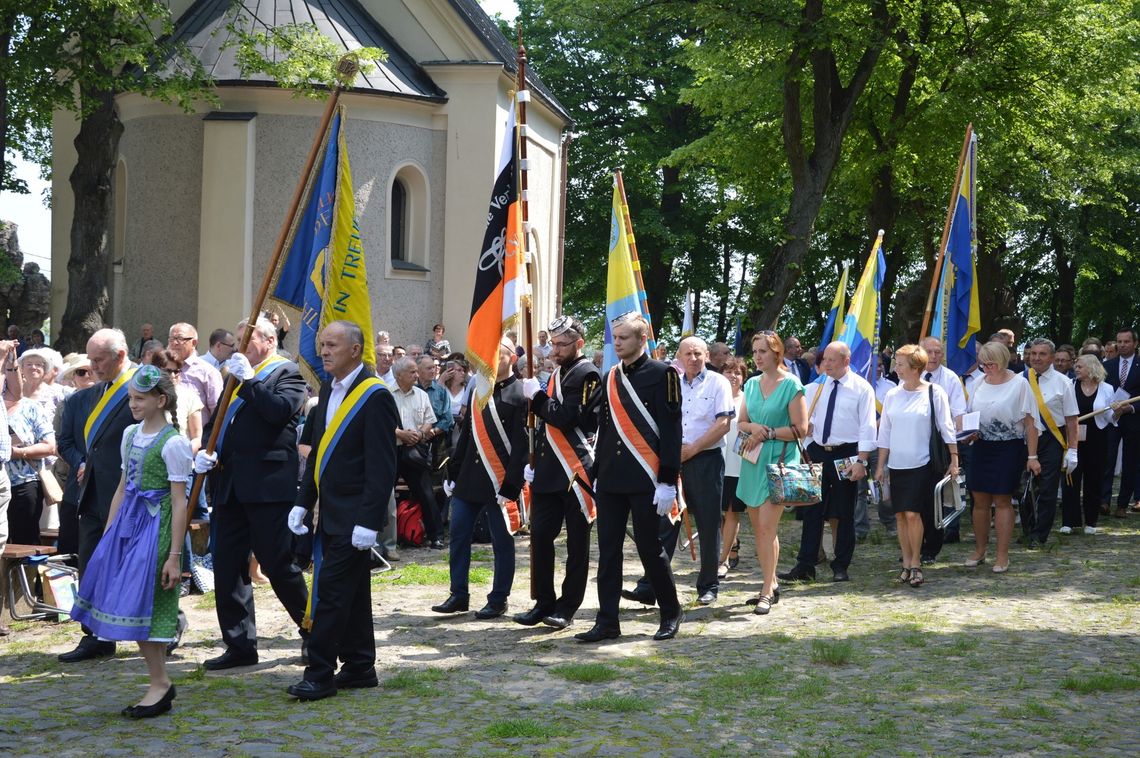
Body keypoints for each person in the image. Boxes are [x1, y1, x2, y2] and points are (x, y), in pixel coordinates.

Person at [69, 366, 192, 717]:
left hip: (156, 529)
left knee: (146, 604)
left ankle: (160, 682)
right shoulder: (129, 435)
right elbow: (123, 489)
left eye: (140, 399)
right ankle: (158, 681)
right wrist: (109, 535)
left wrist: (173, 556)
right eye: (131, 398)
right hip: (128, 526)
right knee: (130, 603)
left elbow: (179, 502)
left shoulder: (173, 444)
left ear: (161, 400)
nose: (133, 404)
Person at [285, 321, 398, 700]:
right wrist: (303, 502)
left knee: (330, 593)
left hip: (355, 516)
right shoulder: (326, 393)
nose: (323, 351)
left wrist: (369, 521)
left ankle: (319, 673)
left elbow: (382, 466)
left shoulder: (375, 395)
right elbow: (318, 455)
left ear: (355, 349)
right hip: (329, 513)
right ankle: (360, 665)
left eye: (332, 345)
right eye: (321, 345)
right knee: (352, 592)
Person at [194, 317, 310, 670]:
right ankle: (240, 644)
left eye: (246, 339)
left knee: (278, 564)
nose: (237, 347)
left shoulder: (288, 374)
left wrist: (248, 381)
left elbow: (277, 413)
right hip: (229, 485)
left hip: (267, 486)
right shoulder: (236, 378)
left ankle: (313, 630)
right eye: (236, 340)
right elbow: (219, 425)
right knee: (228, 567)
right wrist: (206, 451)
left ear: (270, 340)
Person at [575, 313, 683, 642]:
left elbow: (671, 431)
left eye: (623, 337)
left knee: (650, 549)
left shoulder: (663, 374)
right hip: (610, 478)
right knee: (608, 551)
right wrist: (595, 474)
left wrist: (667, 480)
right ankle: (608, 620)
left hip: (646, 478)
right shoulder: (610, 377)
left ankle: (670, 611)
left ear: (641, 339)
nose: (617, 342)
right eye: (615, 337)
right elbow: (604, 429)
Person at [626, 336, 733, 606]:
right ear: (679, 357)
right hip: (672, 460)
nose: (693, 358)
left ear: (707, 355)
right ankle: (651, 585)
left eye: (698, 353)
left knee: (708, 524)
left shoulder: (718, 382)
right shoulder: (670, 381)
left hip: (705, 459)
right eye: (687, 354)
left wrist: (693, 449)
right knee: (664, 522)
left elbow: (723, 424)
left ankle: (709, 584)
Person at [57, 329, 139, 663]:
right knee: (90, 561)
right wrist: (81, 463)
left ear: (120, 356)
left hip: (129, 492)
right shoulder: (92, 393)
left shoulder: (144, 383)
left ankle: (167, 624)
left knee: (134, 564)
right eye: (89, 359)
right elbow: (73, 442)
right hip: (89, 492)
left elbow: (162, 431)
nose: (92, 367)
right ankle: (96, 634)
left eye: (98, 359)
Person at [516, 316, 600, 629]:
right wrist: (533, 460)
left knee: (577, 543)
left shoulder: (588, 373)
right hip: (550, 469)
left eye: (562, 344)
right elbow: (543, 424)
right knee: (539, 536)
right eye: (553, 343)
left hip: (575, 470)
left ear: (579, 343)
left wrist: (536, 397)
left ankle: (568, 606)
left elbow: (566, 418)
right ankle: (544, 601)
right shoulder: (557, 374)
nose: (555, 349)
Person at [434, 338, 527, 619]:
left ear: (511, 358)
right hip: (470, 478)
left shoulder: (520, 395)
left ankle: (499, 598)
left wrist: (511, 485)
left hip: (499, 481)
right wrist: (452, 470)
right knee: (459, 536)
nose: (490, 359)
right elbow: (467, 436)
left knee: (501, 542)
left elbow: (522, 446)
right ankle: (458, 593)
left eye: (497, 354)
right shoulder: (479, 391)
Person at [780, 341, 877, 584]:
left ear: (846, 361)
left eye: (832, 360)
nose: (826, 364)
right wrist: (808, 430)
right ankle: (805, 564)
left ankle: (841, 565)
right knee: (811, 508)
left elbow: (868, 426)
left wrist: (862, 461)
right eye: (824, 360)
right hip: (817, 453)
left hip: (846, 454)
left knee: (844, 511)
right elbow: (806, 419)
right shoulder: (815, 387)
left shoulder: (861, 388)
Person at [736, 331, 808, 614]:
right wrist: (753, 429)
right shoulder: (752, 384)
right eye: (754, 351)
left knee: (767, 527)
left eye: (763, 351)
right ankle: (772, 581)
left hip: (779, 462)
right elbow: (742, 422)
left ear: (777, 353)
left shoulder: (792, 385)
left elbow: (800, 429)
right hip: (752, 461)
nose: (757, 356)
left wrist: (765, 433)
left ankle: (766, 589)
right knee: (760, 530)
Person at [875, 344, 958, 587]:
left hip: (923, 464)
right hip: (897, 464)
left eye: (900, 364)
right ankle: (906, 561)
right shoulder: (892, 394)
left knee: (913, 514)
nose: (896, 368)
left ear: (915, 367)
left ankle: (917, 563)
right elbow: (885, 432)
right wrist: (881, 465)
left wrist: (954, 460)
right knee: (900, 515)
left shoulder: (935, 392)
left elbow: (947, 427)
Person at [962, 341, 1036, 573]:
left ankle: (1002, 555)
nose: (987, 368)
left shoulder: (1020, 384)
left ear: (1003, 361)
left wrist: (1032, 456)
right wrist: (966, 433)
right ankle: (980, 549)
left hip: (1009, 447)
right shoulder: (977, 384)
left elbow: (1031, 424)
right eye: (983, 364)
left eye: (991, 363)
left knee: (1002, 499)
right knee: (979, 500)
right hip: (981, 446)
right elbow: (968, 414)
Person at [1025, 338, 1079, 547]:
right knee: (1024, 488)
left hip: (1052, 439)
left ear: (1053, 357)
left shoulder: (1063, 382)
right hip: (1023, 439)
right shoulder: (1021, 378)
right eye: (1033, 353)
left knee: (1047, 489)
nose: (1036, 358)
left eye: (1042, 354)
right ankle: (1029, 527)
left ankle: (1040, 534)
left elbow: (1071, 419)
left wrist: (1073, 450)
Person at [919, 337, 968, 558]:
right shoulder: (911, 375)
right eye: (929, 351)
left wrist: (952, 450)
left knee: (935, 495)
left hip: (940, 443)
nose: (934, 356)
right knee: (916, 496)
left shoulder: (950, 379)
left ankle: (931, 546)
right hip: (915, 441)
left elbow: (958, 413)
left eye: (938, 352)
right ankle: (915, 542)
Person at [391, 356, 444, 548]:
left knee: (426, 494)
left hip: (415, 451)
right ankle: (384, 541)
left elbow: (430, 419)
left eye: (416, 371)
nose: (416, 375)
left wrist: (420, 433)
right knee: (385, 495)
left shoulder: (421, 395)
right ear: (398, 375)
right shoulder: (387, 393)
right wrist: (400, 434)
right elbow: (380, 423)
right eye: (412, 372)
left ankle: (436, 536)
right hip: (393, 451)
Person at [1061, 354, 1116, 536]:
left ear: (1092, 368)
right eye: (1076, 366)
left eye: (1080, 366)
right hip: (1073, 438)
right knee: (1070, 477)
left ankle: (1091, 521)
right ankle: (1070, 521)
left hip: (1097, 438)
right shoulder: (1070, 385)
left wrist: (1118, 411)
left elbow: (1111, 419)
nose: (1076, 369)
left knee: (1094, 479)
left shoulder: (1107, 389)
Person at [3, 364, 56, 545]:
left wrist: (16, 453)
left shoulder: (31, 408)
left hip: (24, 485)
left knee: (25, 542)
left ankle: (28, 574)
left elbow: (50, 446)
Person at [1103, 328, 1139, 518]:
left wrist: (1130, 408)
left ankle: (1122, 504)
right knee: (1107, 459)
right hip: (1111, 419)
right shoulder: (1108, 365)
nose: (1122, 345)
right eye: (1120, 341)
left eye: (1126, 341)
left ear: (1135, 343)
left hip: (1133, 420)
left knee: (1130, 463)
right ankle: (1104, 501)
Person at [717, 357, 749, 576]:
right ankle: (732, 542)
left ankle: (723, 559)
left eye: (738, 373)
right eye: (729, 371)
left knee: (731, 511)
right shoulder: (714, 397)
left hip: (738, 464)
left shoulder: (748, 400)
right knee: (719, 513)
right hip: (716, 461)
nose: (733, 376)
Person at [168, 323, 222, 418]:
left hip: (196, 431)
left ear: (194, 343)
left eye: (180, 339)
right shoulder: (161, 369)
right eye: (172, 339)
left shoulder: (207, 372)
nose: (174, 343)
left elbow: (217, 413)